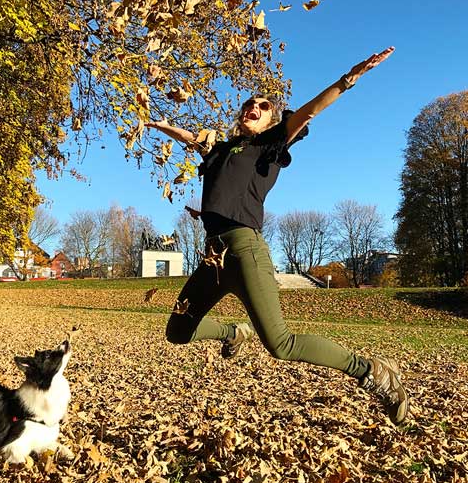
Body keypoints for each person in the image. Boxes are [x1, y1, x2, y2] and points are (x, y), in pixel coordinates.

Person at [145, 47, 408, 425]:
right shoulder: (220, 149)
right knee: (178, 330)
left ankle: (372, 371)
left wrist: (349, 78)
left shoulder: (268, 145)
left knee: (280, 344)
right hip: (212, 257)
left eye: (263, 106)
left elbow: (310, 111)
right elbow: (192, 138)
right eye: (249, 103)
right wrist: (157, 125)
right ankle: (233, 333)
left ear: (271, 118)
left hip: (244, 250)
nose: (253, 106)